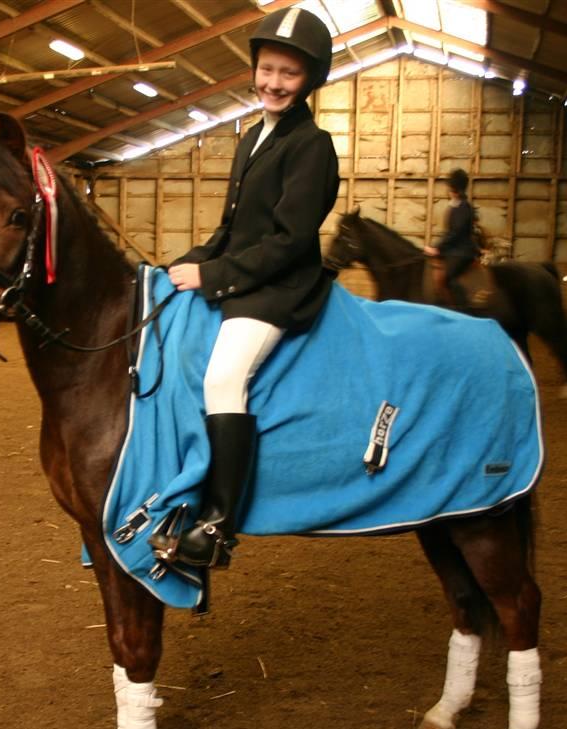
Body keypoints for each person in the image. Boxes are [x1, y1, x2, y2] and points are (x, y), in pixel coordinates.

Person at [150, 7, 340, 570]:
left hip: (280, 287)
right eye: (267, 69)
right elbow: (231, 230)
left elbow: (288, 240)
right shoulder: (253, 135)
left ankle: (216, 526)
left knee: (223, 375)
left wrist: (210, 276)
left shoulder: (313, 145)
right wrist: (179, 264)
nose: (274, 83)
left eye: (289, 74)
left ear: (308, 80)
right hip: (243, 276)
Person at [424, 168, 480, 309]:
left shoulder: (463, 207)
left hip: (462, 252)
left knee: (447, 278)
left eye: (449, 187)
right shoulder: (456, 205)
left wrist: (437, 248)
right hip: (453, 249)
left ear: (454, 188)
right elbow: (449, 233)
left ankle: (459, 309)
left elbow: (455, 232)